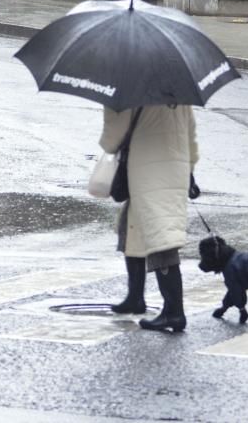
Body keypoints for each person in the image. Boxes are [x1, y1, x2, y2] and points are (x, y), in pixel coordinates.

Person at [100, 104, 198, 332]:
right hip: (174, 168)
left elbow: (112, 141)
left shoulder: (133, 92)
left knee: (162, 239)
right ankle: (135, 297)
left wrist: (110, 108)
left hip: (148, 171)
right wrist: (188, 166)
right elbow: (192, 135)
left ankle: (174, 312)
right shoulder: (179, 93)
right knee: (131, 227)